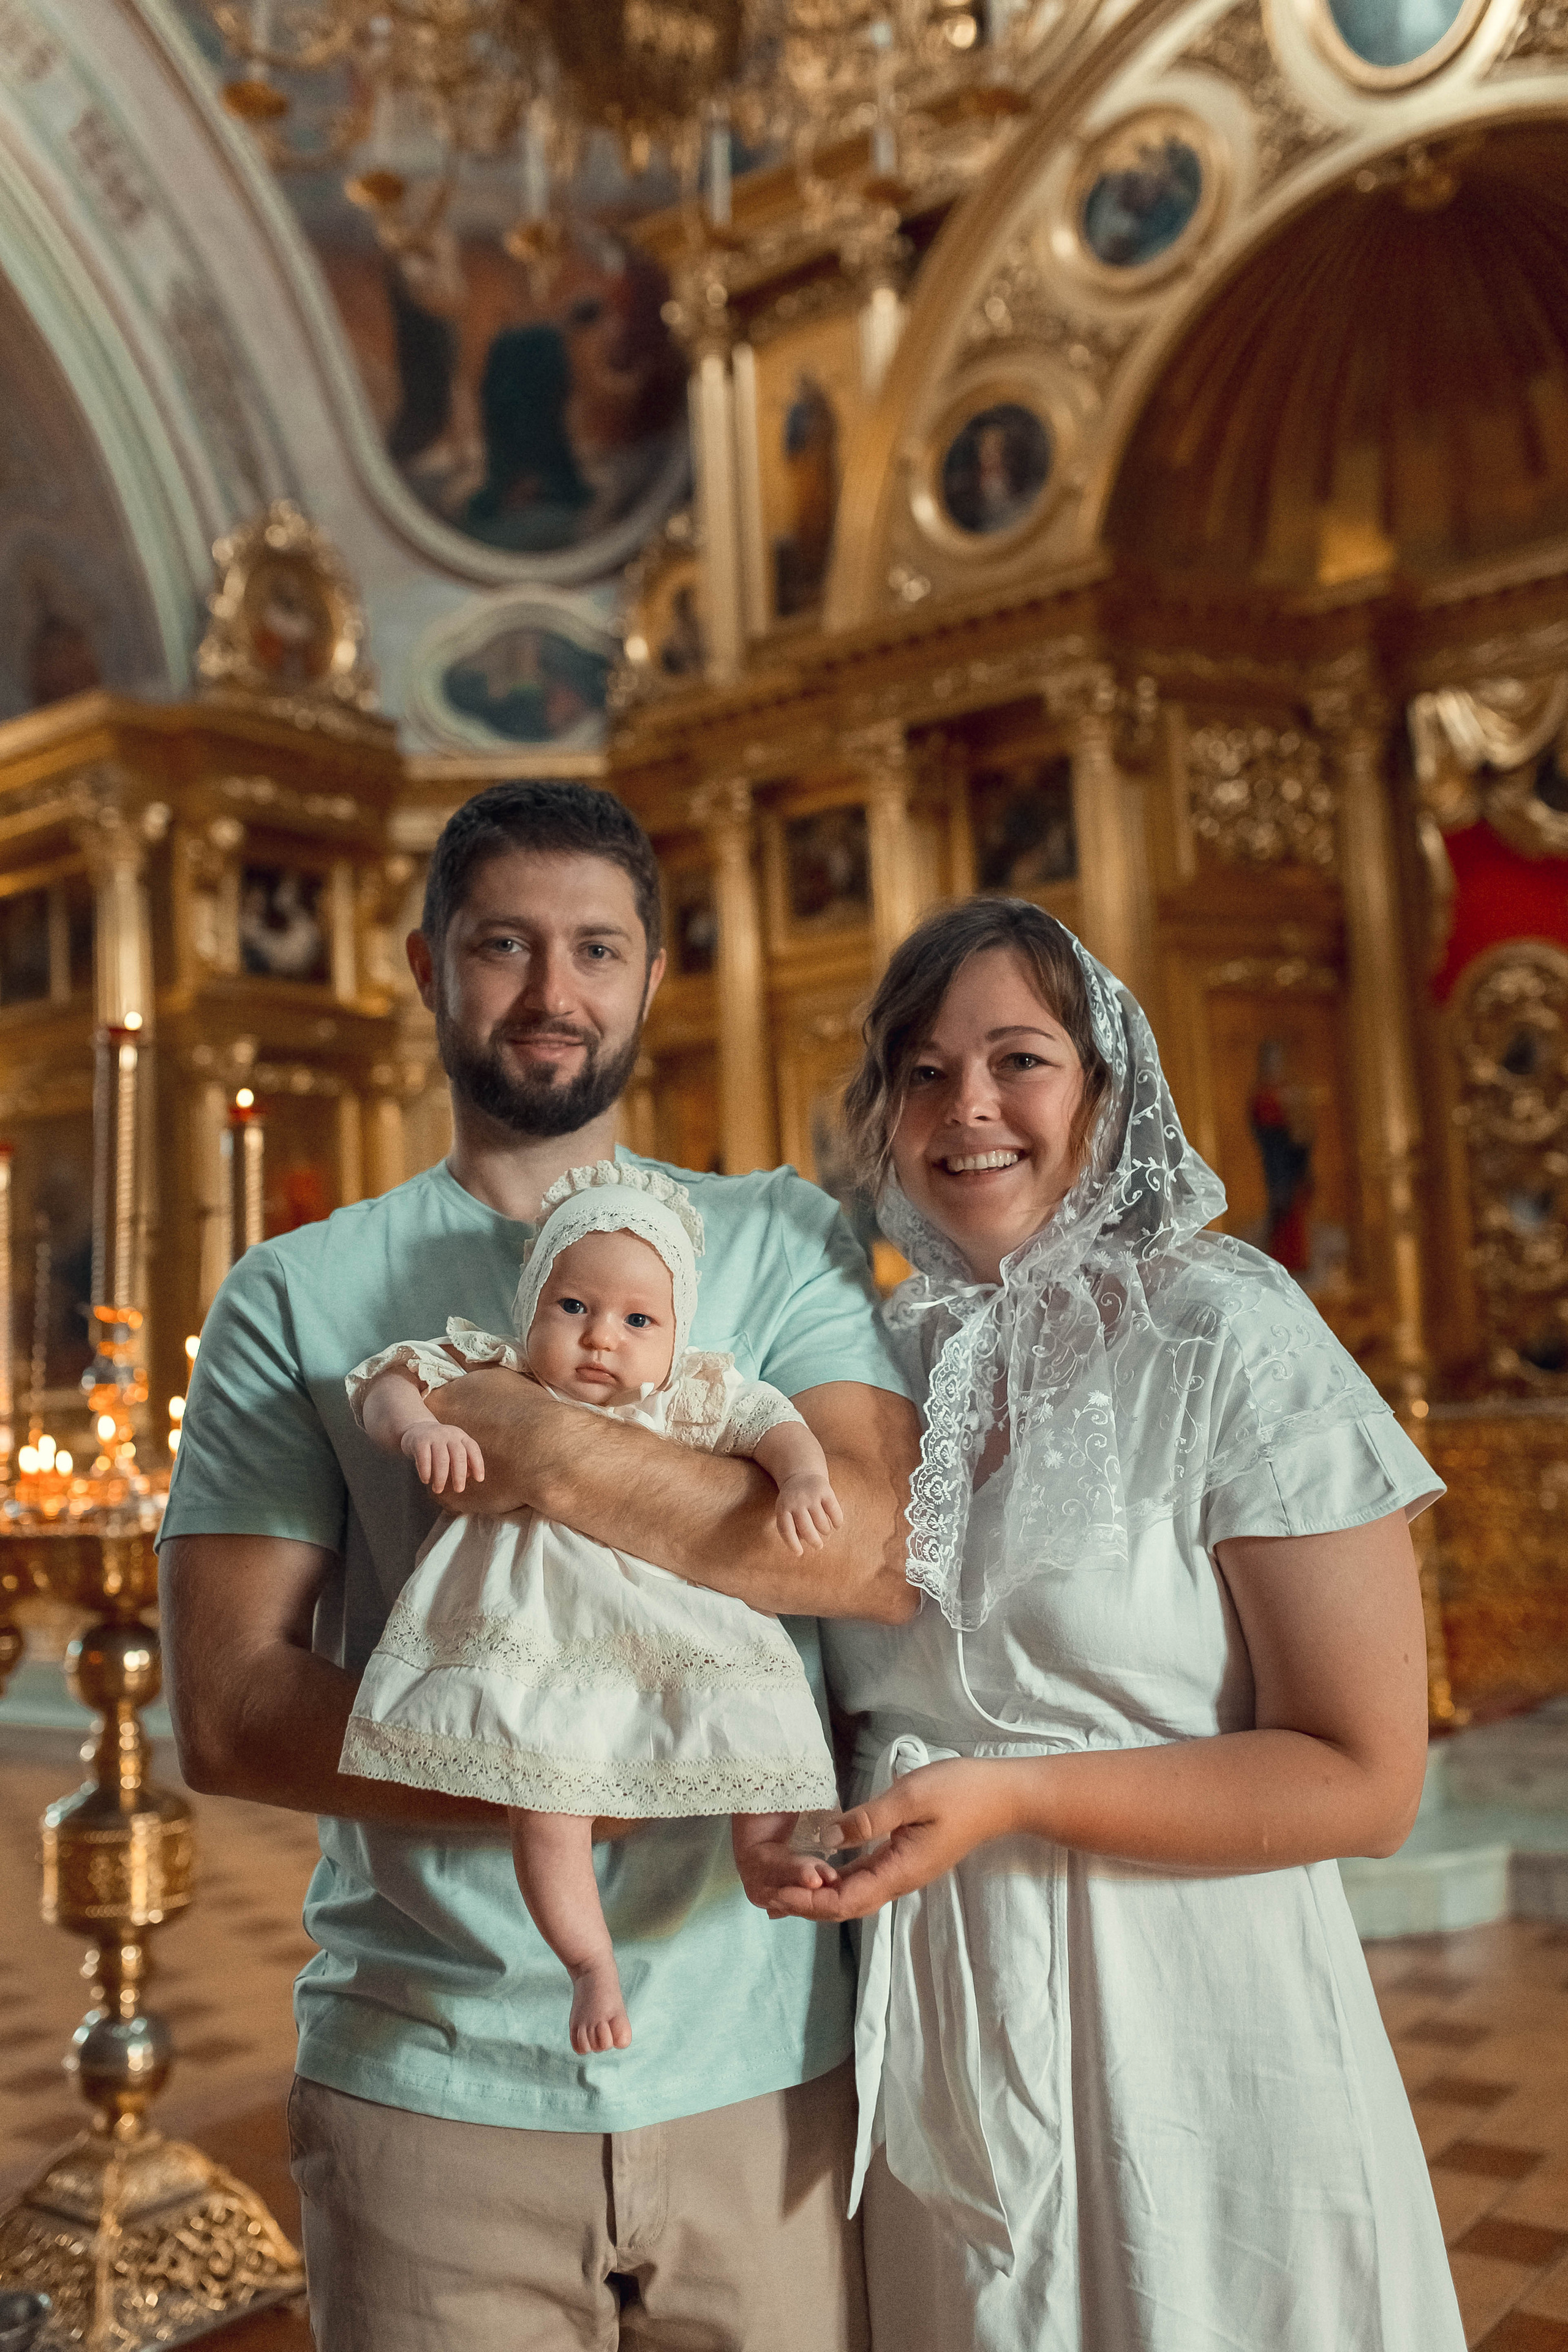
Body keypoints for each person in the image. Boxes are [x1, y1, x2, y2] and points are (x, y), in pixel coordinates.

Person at [158, 780, 920, 2352]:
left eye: (595, 949)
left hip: (756, 2061)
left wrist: (547, 1448)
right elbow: (231, 1712)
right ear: (429, 968)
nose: (552, 993)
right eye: (503, 945)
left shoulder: (779, 1241)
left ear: (652, 978)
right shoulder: (298, 1294)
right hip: (427, 2069)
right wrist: (600, 1761)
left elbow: (871, 1552)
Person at [739, 896, 1464, 2352]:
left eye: (1020, 1059)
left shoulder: (1225, 1330)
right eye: (924, 1073)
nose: (971, 1109)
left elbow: (1367, 1779)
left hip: (1191, 2009)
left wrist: (1012, 1795)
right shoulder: (868, 1373)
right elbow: (830, 1689)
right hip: (938, 2010)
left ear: (1106, 1089)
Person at [345, 1159, 843, 2056]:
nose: (602, 1338)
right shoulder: (496, 1374)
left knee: (758, 1717)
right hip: (534, 1629)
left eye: (638, 1320)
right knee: (546, 1798)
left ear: (675, 1332)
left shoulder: (688, 1396)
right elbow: (387, 1385)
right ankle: (587, 1962)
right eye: (574, 1308)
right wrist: (419, 1428)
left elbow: (770, 1419)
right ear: (532, 1305)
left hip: (673, 1619)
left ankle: (766, 1849)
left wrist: (802, 1474)